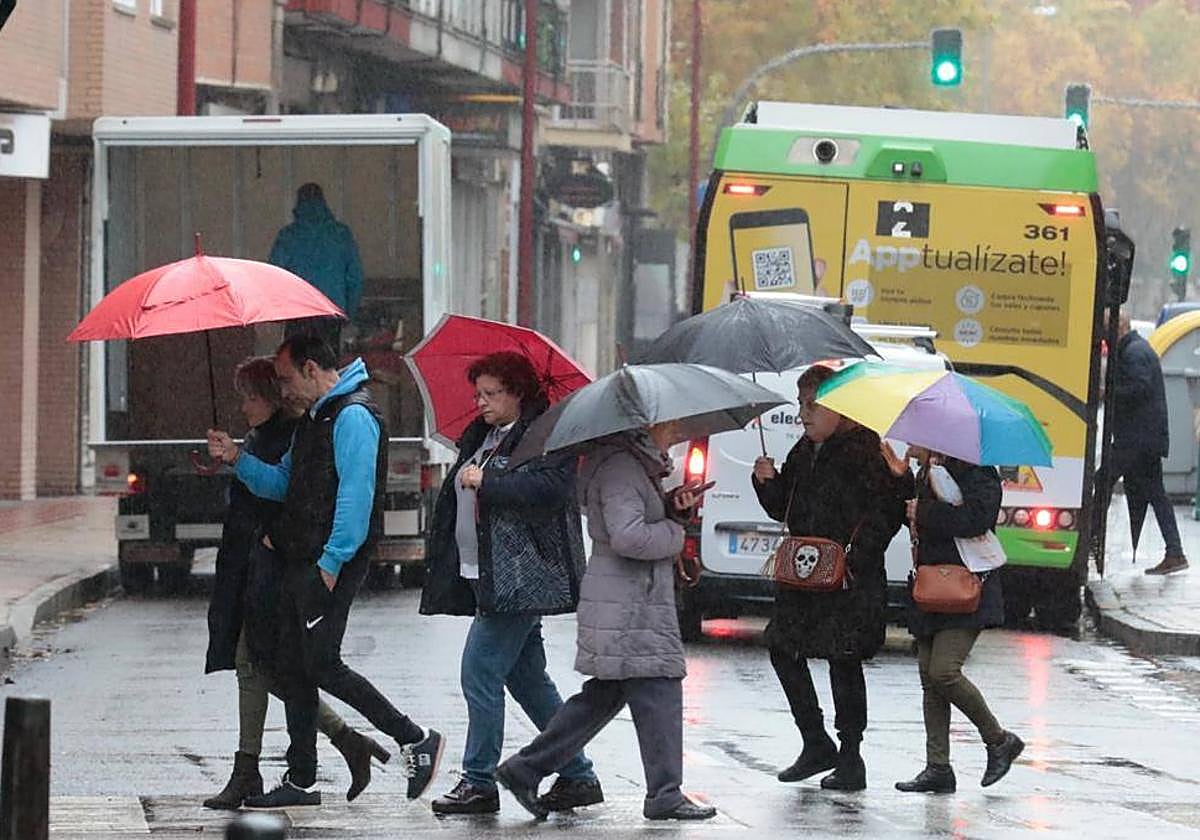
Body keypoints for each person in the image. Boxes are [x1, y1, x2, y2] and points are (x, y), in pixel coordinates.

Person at [206, 335, 443, 808]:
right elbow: (283, 485)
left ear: (312, 369)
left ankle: (413, 737)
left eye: (287, 379)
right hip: (306, 558)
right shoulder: (317, 418)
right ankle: (301, 780)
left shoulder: (352, 416)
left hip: (329, 563)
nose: (283, 390)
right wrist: (237, 459)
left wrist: (332, 563)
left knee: (320, 664)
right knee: (293, 666)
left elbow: (356, 496)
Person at [495, 425, 717, 822]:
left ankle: (525, 769)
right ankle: (665, 794)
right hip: (630, 604)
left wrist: (672, 506)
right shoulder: (621, 468)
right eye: (673, 424)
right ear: (649, 425)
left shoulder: (633, 465)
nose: (679, 429)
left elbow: (632, 518)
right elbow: (627, 537)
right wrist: (674, 531)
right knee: (660, 688)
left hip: (629, 600)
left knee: (604, 695)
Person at [420, 351, 602, 815]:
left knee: (479, 671)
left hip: (520, 575)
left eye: (491, 393)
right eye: (477, 394)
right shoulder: (482, 434)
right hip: (485, 571)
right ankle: (578, 774)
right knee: (528, 680)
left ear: (518, 392)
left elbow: (552, 491)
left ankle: (479, 781)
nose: (481, 402)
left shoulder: (545, 435)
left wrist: (490, 480)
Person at [751, 365, 906, 792]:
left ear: (839, 407)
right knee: (782, 647)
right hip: (804, 575)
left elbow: (889, 511)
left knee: (843, 659)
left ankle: (851, 756)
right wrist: (766, 483)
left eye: (813, 406)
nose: (803, 414)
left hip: (849, 580)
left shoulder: (865, 450)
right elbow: (784, 507)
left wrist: (858, 555)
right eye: (801, 404)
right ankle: (815, 740)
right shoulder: (804, 450)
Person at [894, 448, 1025, 794]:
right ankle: (938, 766)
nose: (910, 443)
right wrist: (900, 479)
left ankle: (999, 739)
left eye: (917, 438)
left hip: (967, 587)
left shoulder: (979, 472)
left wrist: (925, 511)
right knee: (929, 679)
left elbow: (975, 519)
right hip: (931, 585)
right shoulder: (927, 472)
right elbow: (908, 516)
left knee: (944, 671)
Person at [1104, 311, 1188, 575]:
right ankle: (1175, 552)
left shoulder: (1134, 353)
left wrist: (1108, 393)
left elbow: (1139, 388)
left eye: (1106, 329)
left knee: (1102, 480)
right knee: (1156, 494)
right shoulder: (1136, 349)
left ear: (1119, 327)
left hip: (1136, 441)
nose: (1105, 336)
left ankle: (1092, 539)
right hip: (1144, 439)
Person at [269, 182, 364, 347]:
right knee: (326, 360)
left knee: (297, 360)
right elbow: (355, 277)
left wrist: (277, 313)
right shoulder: (341, 234)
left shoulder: (288, 236)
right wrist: (349, 313)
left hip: (297, 314)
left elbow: (274, 276)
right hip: (330, 312)